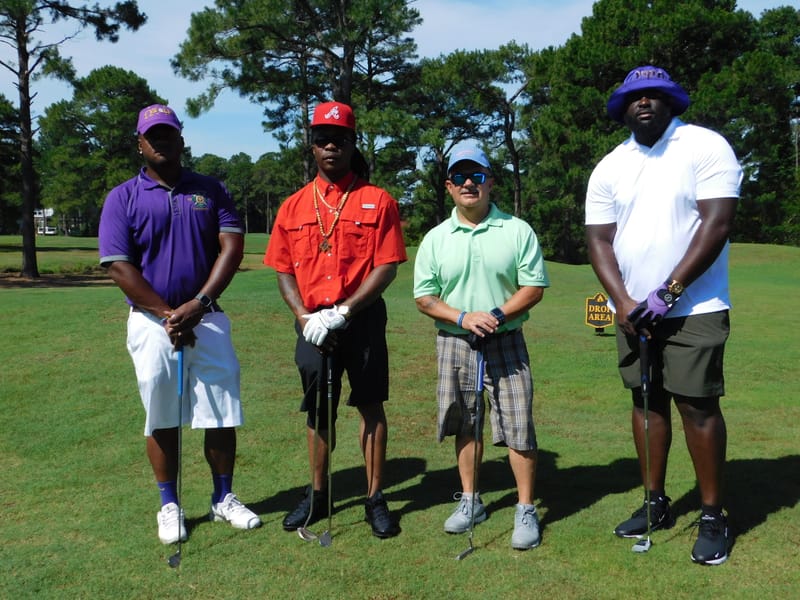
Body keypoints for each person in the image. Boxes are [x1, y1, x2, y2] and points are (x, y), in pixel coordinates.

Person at [585, 66, 742, 565]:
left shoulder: (704, 146)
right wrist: (625, 302)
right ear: (622, 109)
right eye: (634, 97)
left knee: (696, 404)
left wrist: (668, 293)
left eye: (653, 94)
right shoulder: (610, 165)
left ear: (671, 101)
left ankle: (714, 513)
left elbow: (717, 223)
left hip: (695, 306)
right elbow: (599, 240)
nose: (644, 102)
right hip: (632, 311)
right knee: (645, 402)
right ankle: (655, 503)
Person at [98, 103, 261, 546]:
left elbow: (231, 248)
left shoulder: (211, 189)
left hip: (206, 316)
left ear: (181, 138)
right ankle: (169, 504)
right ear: (140, 143)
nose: (162, 141)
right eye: (153, 135)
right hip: (152, 323)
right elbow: (119, 266)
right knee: (161, 412)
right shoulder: (122, 197)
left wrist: (199, 302)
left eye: (169, 133)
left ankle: (223, 497)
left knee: (221, 410)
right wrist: (168, 314)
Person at [263, 101, 406, 539]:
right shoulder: (292, 207)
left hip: (359, 319)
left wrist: (344, 311)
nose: (330, 147)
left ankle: (375, 497)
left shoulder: (377, 200)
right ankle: (319, 493)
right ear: (311, 146)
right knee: (319, 410)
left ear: (351, 144)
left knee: (369, 405)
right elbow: (283, 268)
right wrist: (304, 316)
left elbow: (387, 266)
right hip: (311, 323)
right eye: (322, 139)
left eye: (338, 140)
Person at [413, 145, 550, 550]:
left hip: (505, 340)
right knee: (464, 421)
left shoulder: (516, 229)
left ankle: (525, 507)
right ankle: (471, 500)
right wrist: (462, 317)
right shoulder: (436, 238)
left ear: (490, 181)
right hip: (455, 342)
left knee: (519, 424)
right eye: (459, 177)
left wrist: (495, 315)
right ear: (449, 186)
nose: (468, 183)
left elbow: (534, 287)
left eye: (476, 175)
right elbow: (424, 296)